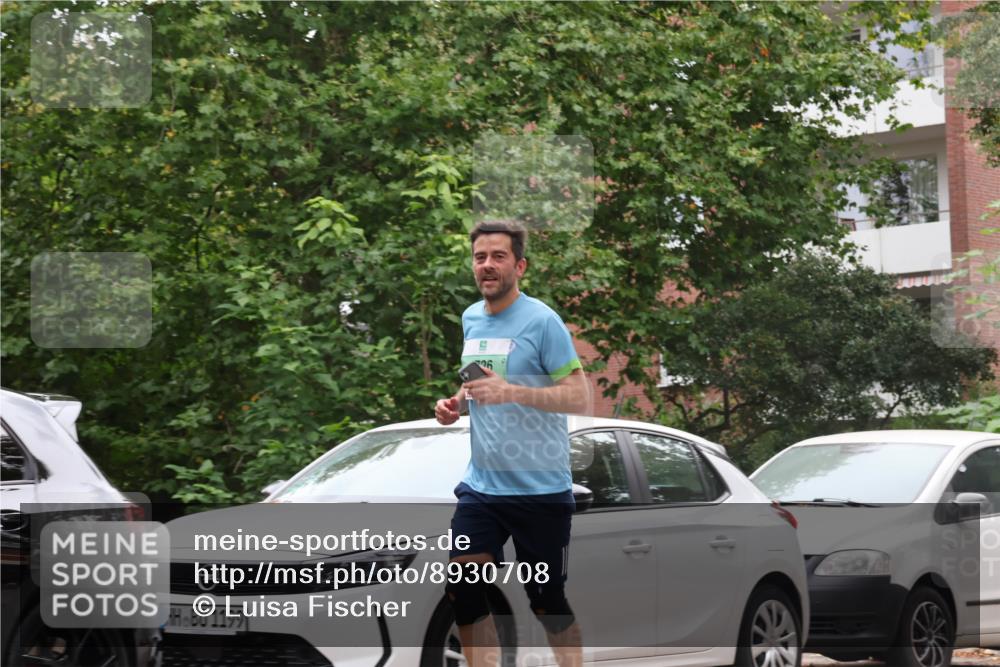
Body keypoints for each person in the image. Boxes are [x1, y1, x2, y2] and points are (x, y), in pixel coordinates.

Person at [434, 220, 591, 667]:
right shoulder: (470, 318)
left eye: (498, 256)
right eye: (480, 257)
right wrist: (455, 405)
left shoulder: (543, 322)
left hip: (540, 491)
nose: (487, 265)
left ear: (519, 265)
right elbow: (477, 379)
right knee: (463, 589)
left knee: (546, 601)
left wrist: (513, 392)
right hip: (483, 489)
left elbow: (580, 395)